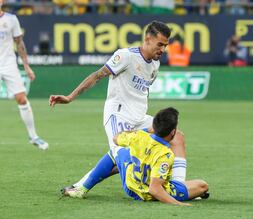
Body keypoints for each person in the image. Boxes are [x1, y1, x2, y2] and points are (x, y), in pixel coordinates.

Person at [49, 21, 187, 191]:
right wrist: (70, 97)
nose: (163, 49)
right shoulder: (126, 56)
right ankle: (80, 187)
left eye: (165, 45)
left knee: (176, 137)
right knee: (122, 154)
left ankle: (178, 187)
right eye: (160, 44)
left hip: (139, 118)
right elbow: (97, 75)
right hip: (118, 115)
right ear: (148, 39)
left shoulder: (155, 65)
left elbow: (143, 92)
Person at [62, 107, 209, 206]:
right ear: (173, 132)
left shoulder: (138, 136)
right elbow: (154, 189)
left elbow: (116, 138)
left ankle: (82, 188)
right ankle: (182, 193)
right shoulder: (166, 154)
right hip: (147, 193)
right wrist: (178, 204)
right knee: (202, 185)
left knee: (117, 151)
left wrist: (145, 130)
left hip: (130, 185)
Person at [0, 0, 49, 150]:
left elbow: (19, 43)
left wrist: (27, 67)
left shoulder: (11, 19)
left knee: (21, 98)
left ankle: (33, 136)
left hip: (8, 63)